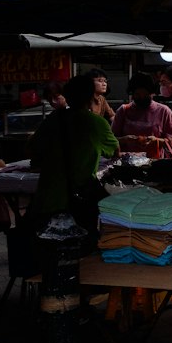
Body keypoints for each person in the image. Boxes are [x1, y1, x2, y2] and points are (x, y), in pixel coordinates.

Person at [28, 72, 119, 233]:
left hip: (48, 195)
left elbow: (33, 147)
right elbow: (115, 151)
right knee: (83, 243)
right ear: (90, 95)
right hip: (79, 197)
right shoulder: (96, 123)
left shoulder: (53, 118)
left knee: (49, 244)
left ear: (67, 96)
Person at [112, 72, 172, 154]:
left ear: (152, 93)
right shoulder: (123, 110)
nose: (142, 98)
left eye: (146, 95)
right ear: (132, 94)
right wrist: (125, 139)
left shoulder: (164, 111)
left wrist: (157, 140)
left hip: (155, 163)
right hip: (128, 163)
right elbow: (111, 139)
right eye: (137, 95)